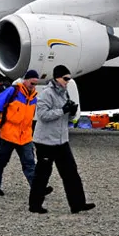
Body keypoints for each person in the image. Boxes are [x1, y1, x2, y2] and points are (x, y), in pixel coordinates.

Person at [28, 65, 95, 214]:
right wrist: (62, 110)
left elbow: (67, 118)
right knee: (42, 175)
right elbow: (43, 115)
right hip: (45, 141)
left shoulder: (64, 94)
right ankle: (34, 206)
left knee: (71, 173)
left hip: (61, 140)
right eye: (65, 78)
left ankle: (78, 204)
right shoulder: (47, 93)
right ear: (57, 78)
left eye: (69, 79)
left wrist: (71, 112)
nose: (68, 81)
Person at [0, 69, 53, 197]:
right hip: (8, 134)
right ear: (25, 80)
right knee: (1, 161)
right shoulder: (13, 91)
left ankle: (38, 189)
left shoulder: (34, 97)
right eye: (31, 82)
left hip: (25, 136)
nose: (33, 85)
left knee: (30, 163)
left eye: (35, 83)